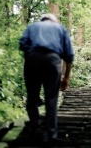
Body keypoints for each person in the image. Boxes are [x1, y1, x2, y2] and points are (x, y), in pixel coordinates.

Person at [19, 13, 74, 145]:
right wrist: (66, 77)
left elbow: (22, 44)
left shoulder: (32, 27)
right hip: (52, 59)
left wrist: (32, 54)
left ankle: (34, 129)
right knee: (51, 98)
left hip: (32, 59)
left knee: (32, 96)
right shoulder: (60, 28)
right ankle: (50, 135)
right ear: (53, 21)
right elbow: (69, 55)